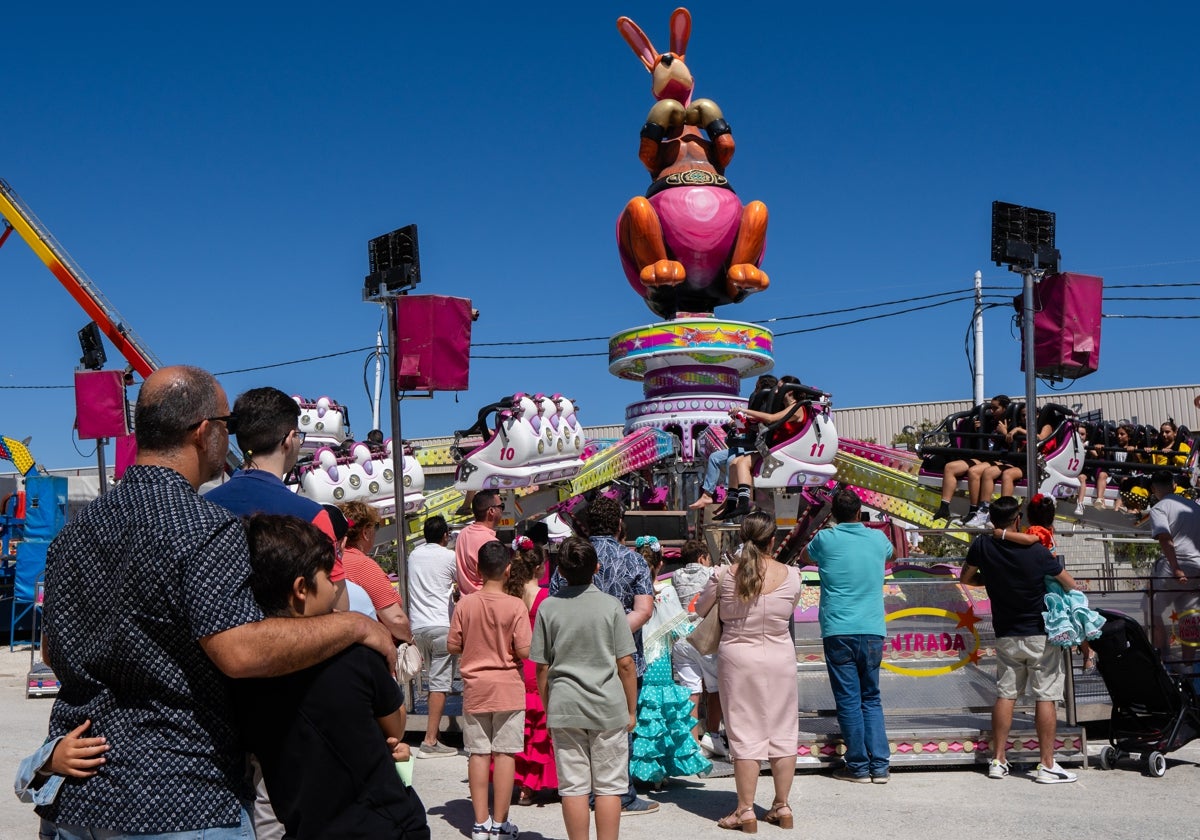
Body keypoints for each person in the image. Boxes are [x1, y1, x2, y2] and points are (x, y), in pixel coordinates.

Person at [38, 365, 396, 837]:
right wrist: (356, 626)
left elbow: (52, 650)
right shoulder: (206, 528)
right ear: (204, 432)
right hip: (181, 800)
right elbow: (241, 651)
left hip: (79, 800)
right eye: (226, 425)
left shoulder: (72, 535)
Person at [233, 514, 429, 838]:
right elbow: (395, 724)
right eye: (328, 577)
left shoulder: (245, 676)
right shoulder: (355, 654)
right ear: (301, 589)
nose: (336, 586)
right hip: (386, 825)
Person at [958, 496, 1079, 784]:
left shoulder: (982, 545)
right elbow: (1069, 583)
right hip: (1039, 631)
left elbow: (966, 577)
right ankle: (1047, 764)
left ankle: (998, 760)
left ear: (993, 520)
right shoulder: (1036, 551)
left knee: (1006, 693)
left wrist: (993, 580)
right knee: (1046, 695)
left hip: (1005, 632)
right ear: (1017, 520)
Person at [549, 495, 657, 815]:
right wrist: (614, 634)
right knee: (621, 727)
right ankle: (618, 793)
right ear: (619, 524)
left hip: (576, 656)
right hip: (623, 658)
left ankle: (586, 792)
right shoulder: (633, 560)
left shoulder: (572, 556)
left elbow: (557, 603)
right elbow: (645, 610)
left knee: (581, 730)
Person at [695, 511, 802, 831]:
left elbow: (701, 609)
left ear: (743, 538)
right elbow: (789, 608)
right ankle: (782, 806)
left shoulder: (725, 575)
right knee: (783, 731)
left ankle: (745, 811)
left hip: (738, 658)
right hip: (780, 657)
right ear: (773, 541)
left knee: (744, 731)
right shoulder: (793, 575)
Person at [531, 537, 639, 840]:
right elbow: (626, 664)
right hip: (607, 706)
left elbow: (542, 667)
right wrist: (631, 710)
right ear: (597, 568)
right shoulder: (610, 606)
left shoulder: (549, 607)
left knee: (574, 787)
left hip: (565, 706)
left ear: (560, 572)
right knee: (609, 787)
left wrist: (548, 705)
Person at [804, 488, 893, 784]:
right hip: (872, 629)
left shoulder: (826, 539)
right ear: (859, 512)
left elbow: (806, 555)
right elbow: (891, 555)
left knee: (849, 700)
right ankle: (880, 766)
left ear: (834, 514)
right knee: (871, 698)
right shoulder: (879, 539)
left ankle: (857, 767)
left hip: (838, 629)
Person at [447, 541, 531, 840]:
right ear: (508, 570)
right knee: (505, 754)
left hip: (475, 688)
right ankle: (500, 823)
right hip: (508, 688)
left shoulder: (465, 604)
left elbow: (453, 645)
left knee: (478, 754)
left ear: (478, 570)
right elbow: (524, 649)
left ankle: (479, 824)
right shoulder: (516, 606)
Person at [629, 538, 711, 784]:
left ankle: (637, 768)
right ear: (660, 564)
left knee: (641, 710)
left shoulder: (630, 592)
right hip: (661, 660)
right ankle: (658, 771)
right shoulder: (665, 593)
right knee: (661, 712)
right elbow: (679, 629)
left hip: (634, 656)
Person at [503, 535, 558, 806]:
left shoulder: (508, 593)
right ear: (540, 568)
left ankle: (523, 787)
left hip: (514, 665)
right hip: (539, 665)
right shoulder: (546, 596)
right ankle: (545, 784)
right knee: (542, 727)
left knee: (519, 729)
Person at [407, 514, 460, 758]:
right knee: (439, 685)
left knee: (433, 684)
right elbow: (461, 582)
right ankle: (430, 741)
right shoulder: (449, 556)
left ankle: (432, 734)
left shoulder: (414, 555)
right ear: (445, 536)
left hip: (418, 628)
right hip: (441, 625)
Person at [690, 374, 777, 511]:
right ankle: (707, 494)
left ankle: (731, 495)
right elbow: (749, 426)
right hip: (750, 440)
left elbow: (761, 423)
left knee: (732, 459)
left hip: (758, 444)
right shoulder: (758, 403)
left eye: (757, 385)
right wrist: (737, 422)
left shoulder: (767, 404)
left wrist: (742, 418)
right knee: (715, 457)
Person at [722, 376, 804, 520]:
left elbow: (771, 418)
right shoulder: (787, 407)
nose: (775, 391)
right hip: (779, 449)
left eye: (779, 388)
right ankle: (731, 504)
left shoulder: (796, 408)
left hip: (787, 452)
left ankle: (743, 504)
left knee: (743, 462)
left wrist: (743, 410)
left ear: (789, 392)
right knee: (734, 463)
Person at [671, 539, 724, 756]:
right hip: (706, 637)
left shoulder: (675, 576)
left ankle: (692, 742)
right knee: (714, 689)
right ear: (702, 557)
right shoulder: (712, 573)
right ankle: (713, 737)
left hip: (682, 640)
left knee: (691, 690)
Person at [339, 499, 414, 644]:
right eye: (376, 527)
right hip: (372, 651)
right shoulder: (363, 565)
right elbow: (396, 619)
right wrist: (410, 640)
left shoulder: (332, 561)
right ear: (365, 532)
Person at [1147, 469, 1200, 667]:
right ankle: (1189, 665)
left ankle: (1161, 659)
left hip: (1175, 566)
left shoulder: (1159, 508)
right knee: (1189, 615)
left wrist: (1176, 568)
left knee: (1151, 609)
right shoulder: (1194, 507)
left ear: (1153, 489)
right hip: (1197, 565)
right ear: (1174, 485)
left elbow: (1165, 538)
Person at [932, 395, 1011, 523]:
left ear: (1005, 408)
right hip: (985, 457)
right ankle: (944, 507)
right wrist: (978, 430)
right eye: (991, 408)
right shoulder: (990, 421)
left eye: (995, 408)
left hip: (1001, 459)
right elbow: (982, 443)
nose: (992, 411)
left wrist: (1005, 432)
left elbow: (1014, 446)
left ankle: (973, 510)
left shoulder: (1012, 422)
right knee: (950, 467)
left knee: (973, 471)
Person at [456, 490, 504, 596]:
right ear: (491, 511)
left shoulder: (462, 534)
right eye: (501, 507)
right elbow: (499, 578)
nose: (502, 511)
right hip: (485, 601)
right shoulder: (491, 542)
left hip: (465, 602)